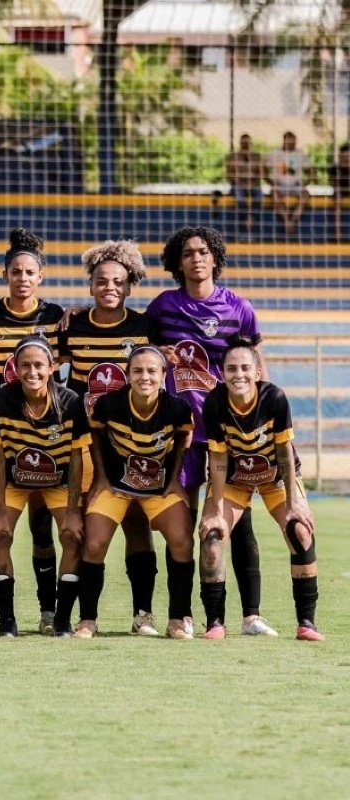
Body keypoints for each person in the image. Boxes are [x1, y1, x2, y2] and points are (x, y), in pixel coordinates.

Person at [146, 226, 277, 636]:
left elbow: (256, 365)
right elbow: (141, 354)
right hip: (181, 433)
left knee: (238, 521)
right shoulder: (163, 307)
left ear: (215, 258)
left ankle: (251, 615)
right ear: (177, 261)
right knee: (180, 525)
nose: (197, 258)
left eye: (203, 251)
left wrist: (263, 417)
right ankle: (180, 615)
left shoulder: (238, 308)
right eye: (188, 253)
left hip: (229, 432)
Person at [59, 240, 159, 636]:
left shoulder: (143, 327)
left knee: (136, 524)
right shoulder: (73, 326)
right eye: (102, 281)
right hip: (88, 445)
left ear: (129, 286)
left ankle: (143, 614)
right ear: (90, 285)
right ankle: (85, 617)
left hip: (133, 446)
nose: (109, 288)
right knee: (87, 530)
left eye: (118, 281)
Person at [199, 337, 322, 641]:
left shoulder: (274, 398)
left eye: (244, 368)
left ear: (256, 372)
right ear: (221, 372)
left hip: (276, 479)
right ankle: (215, 622)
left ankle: (307, 622)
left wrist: (295, 502)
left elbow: (285, 451)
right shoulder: (214, 403)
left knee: (300, 531)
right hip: (235, 481)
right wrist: (214, 509)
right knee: (212, 539)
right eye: (231, 369)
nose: (237, 374)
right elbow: (217, 457)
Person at [0, 228, 65, 633]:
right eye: (16, 271)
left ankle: (48, 611)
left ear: (40, 276)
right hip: (0, 436)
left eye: (30, 271)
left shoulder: (55, 317)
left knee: (42, 527)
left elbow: (58, 380)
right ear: (5, 274)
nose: (23, 278)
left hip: (44, 440)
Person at [74, 346, 197, 639]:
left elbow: (185, 436)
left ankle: (177, 619)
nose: (145, 377)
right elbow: (95, 435)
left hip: (159, 488)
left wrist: (176, 478)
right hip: (116, 487)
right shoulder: (109, 405)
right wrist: (101, 478)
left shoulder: (177, 409)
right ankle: (88, 620)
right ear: (128, 375)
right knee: (94, 544)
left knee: (182, 541)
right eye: (138, 371)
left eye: (152, 371)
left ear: (164, 375)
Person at [0, 336, 86, 637]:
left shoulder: (69, 402)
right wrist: (0, 510)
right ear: (14, 368)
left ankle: (61, 620)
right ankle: (7, 621)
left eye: (39, 365)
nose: (32, 372)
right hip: (15, 481)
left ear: (53, 367)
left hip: (58, 481)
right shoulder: (1, 400)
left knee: (71, 534)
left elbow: (77, 460)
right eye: (25, 365)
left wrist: (72, 511)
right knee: (0, 534)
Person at [264, 131, 312, 239]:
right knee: (274, 194)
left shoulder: (300, 154)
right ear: (284, 141)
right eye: (290, 141)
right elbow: (264, 168)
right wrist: (271, 182)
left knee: (306, 194)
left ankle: (292, 221)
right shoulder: (275, 153)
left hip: (296, 185)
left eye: (294, 142)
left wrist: (306, 183)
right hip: (280, 184)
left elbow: (311, 170)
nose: (293, 144)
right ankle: (286, 221)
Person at [224, 134, 264, 242]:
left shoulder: (256, 156)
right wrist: (240, 182)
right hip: (238, 185)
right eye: (243, 142)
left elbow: (261, 175)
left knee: (259, 195)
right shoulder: (233, 157)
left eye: (248, 142)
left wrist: (251, 183)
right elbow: (229, 175)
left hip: (253, 185)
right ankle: (246, 222)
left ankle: (251, 219)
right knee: (239, 196)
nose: (246, 145)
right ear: (240, 143)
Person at [330, 142, 350, 242]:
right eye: (345, 155)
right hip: (341, 192)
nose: (347, 158)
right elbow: (335, 185)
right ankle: (337, 234)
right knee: (337, 197)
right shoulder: (336, 168)